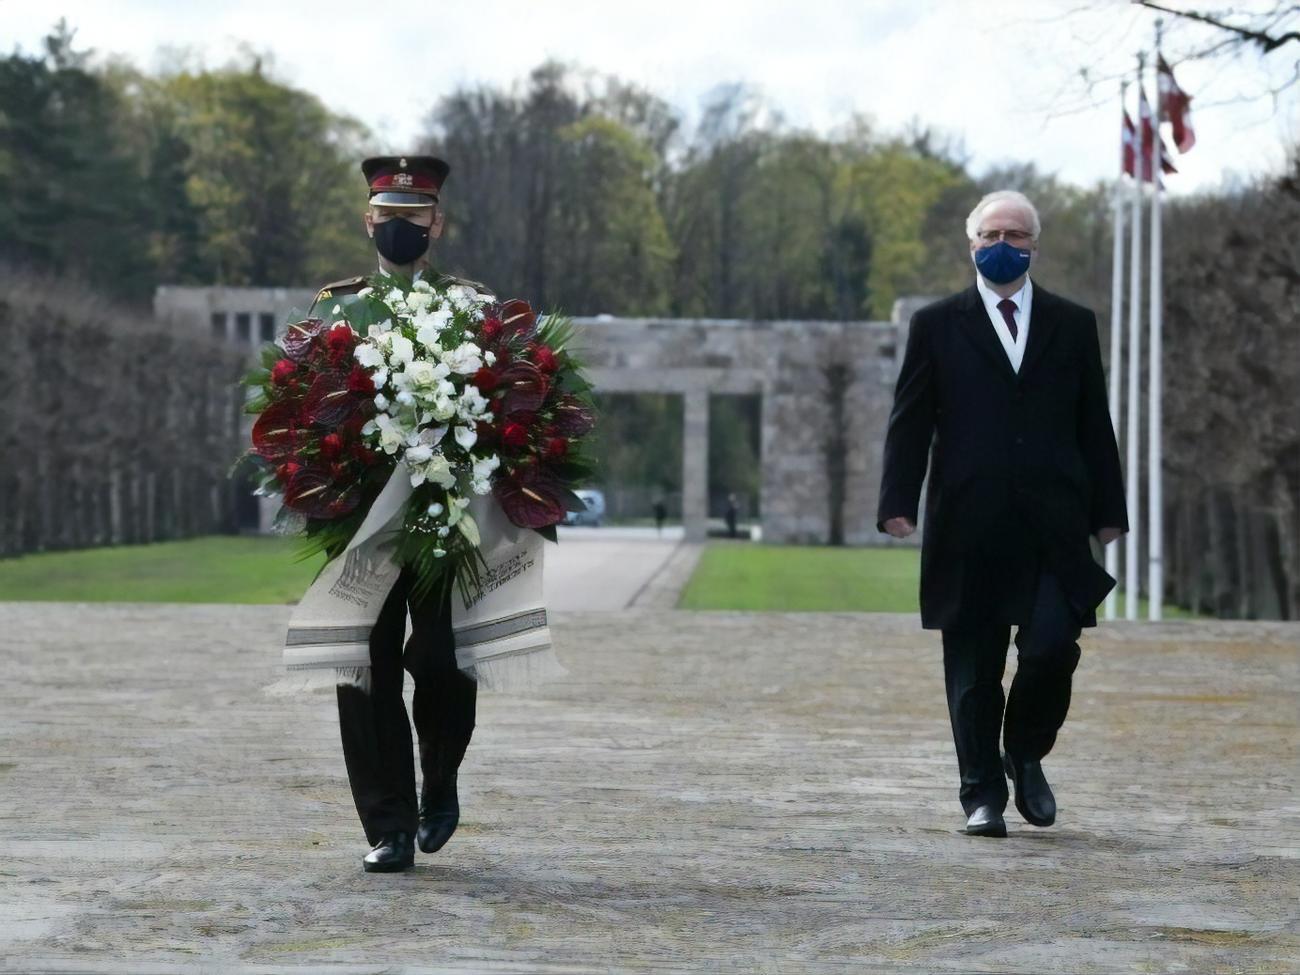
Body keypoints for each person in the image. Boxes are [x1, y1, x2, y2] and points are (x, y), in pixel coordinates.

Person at [876, 190, 1127, 839]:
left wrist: (1109, 510)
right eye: (990, 234)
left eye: (1014, 234)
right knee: (973, 668)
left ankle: (1024, 750)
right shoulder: (936, 325)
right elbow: (910, 419)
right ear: (971, 244)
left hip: (1054, 525)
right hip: (970, 521)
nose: (1001, 244)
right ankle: (981, 795)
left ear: (1033, 245)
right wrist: (897, 500)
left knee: (1052, 646)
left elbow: (1093, 422)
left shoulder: (1072, 324)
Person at [311, 155, 484, 872]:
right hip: (361, 517)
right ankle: (390, 825)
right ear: (368, 220)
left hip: (444, 517)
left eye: (414, 216)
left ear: (436, 223)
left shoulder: (473, 309)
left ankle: (438, 775)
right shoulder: (335, 309)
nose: (400, 227)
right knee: (365, 667)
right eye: (388, 216)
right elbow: (304, 406)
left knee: (444, 661)